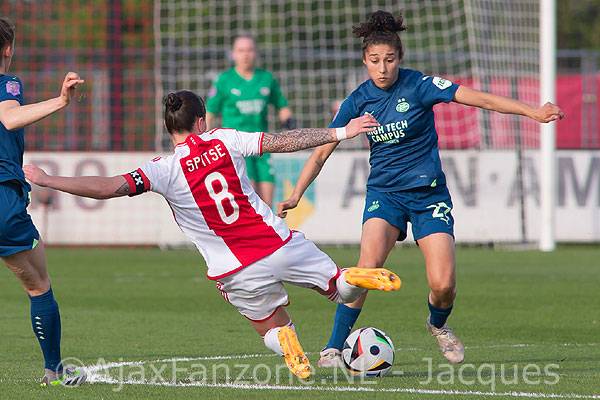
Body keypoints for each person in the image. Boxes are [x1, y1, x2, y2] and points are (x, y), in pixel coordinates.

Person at [24, 90, 401, 379]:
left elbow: (108, 187)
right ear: (201, 121)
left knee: (271, 324)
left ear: (170, 129)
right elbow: (284, 140)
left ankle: (285, 340)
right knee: (339, 288)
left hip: (233, 270)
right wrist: (342, 130)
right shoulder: (224, 139)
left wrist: (47, 179)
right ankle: (351, 275)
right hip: (278, 242)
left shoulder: (163, 170)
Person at [277, 10, 564, 367]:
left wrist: (532, 112)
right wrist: (296, 194)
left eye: (389, 60)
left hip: (429, 196)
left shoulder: (419, 86)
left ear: (400, 58)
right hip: (386, 195)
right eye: (374, 61)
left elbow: (481, 99)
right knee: (367, 268)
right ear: (365, 61)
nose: (382, 68)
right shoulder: (357, 101)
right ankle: (332, 349)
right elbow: (321, 153)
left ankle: (438, 325)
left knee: (443, 285)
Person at [0, 17, 86, 386]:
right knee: (39, 286)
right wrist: (62, 101)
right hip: (3, 199)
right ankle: (53, 371)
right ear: (8, 48)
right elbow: (10, 118)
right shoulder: (7, 82)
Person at [206, 34, 293, 207]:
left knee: (268, 203)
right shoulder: (224, 80)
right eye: (241, 50)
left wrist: (288, 123)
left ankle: (270, 233)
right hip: (237, 148)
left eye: (249, 50)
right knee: (250, 200)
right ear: (233, 54)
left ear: (256, 53)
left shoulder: (266, 79)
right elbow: (210, 113)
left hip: (262, 146)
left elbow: (282, 106)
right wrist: (206, 144)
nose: (245, 54)